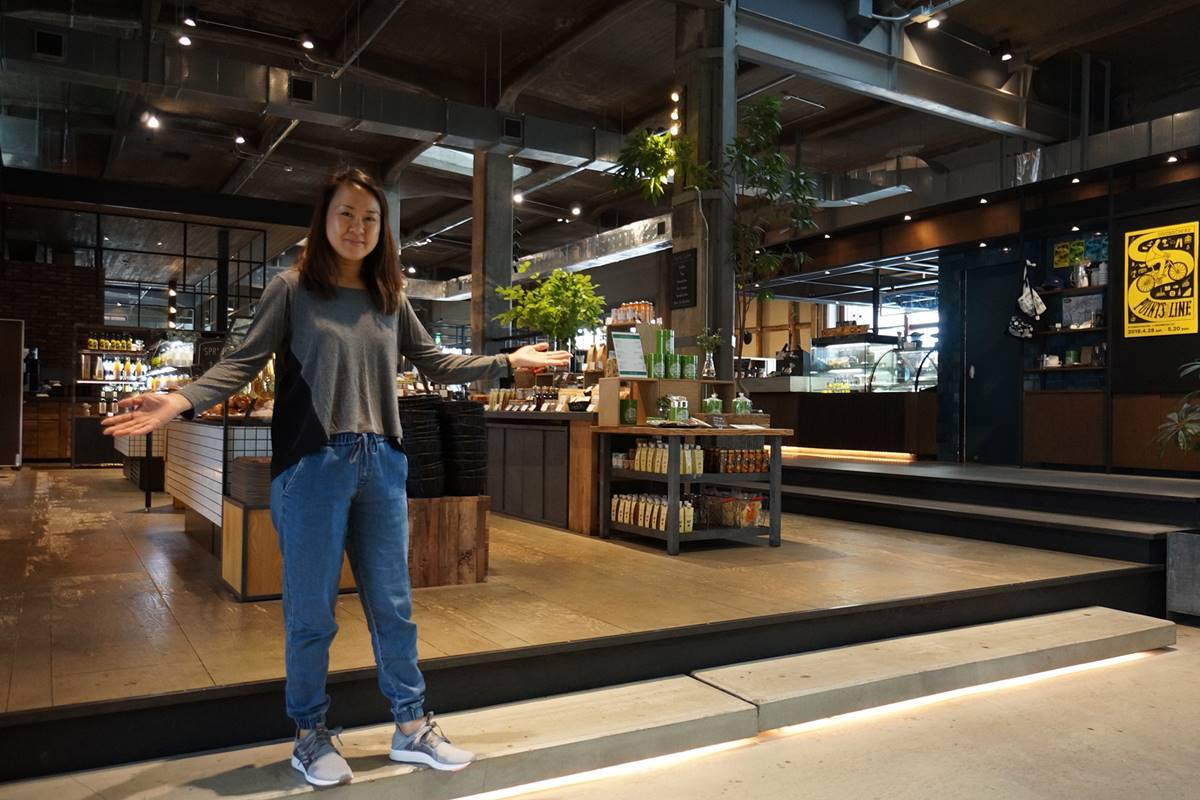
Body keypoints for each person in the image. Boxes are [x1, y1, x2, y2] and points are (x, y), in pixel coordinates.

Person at [103, 167, 569, 787]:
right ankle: (309, 734)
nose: (357, 226)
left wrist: (507, 360)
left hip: (383, 464)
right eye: (346, 213)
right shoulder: (292, 288)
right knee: (312, 612)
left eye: (370, 217)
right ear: (323, 220)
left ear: (383, 230)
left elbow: (435, 361)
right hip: (314, 465)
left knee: (394, 606)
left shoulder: (389, 297)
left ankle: (411, 726)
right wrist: (178, 401)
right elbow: (242, 363)